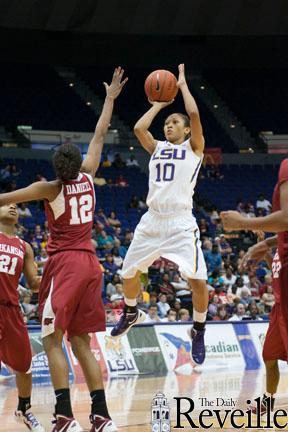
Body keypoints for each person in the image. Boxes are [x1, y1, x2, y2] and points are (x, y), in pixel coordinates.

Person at [0, 68, 127, 432]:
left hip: (66, 264)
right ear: (77, 162)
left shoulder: (49, 188)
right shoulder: (88, 174)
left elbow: (6, 197)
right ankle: (101, 416)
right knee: (82, 342)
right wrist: (110, 99)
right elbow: (101, 133)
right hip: (91, 264)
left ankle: (64, 416)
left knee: (53, 338)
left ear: (57, 166)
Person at [111, 64, 208, 365]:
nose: (169, 125)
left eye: (174, 122)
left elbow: (194, 115)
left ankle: (199, 329)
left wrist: (183, 86)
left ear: (187, 129)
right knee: (127, 273)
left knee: (199, 281)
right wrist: (157, 106)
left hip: (180, 222)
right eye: (167, 123)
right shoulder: (157, 147)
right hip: (152, 219)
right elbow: (140, 129)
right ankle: (130, 311)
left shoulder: (195, 148)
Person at [221, 158, 288, 415]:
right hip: (279, 304)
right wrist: (267, 245)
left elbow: (286, 220)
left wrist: (243, 222)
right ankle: (268, 402)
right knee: (269, 356)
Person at [0, 203, 44, 431]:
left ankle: (24, 410)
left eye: (16, 204)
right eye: (6, 203)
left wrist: (55, 272)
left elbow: (34, 283)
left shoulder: (24, 246)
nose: (13, 205)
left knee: (24, 365)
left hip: (11, 310)